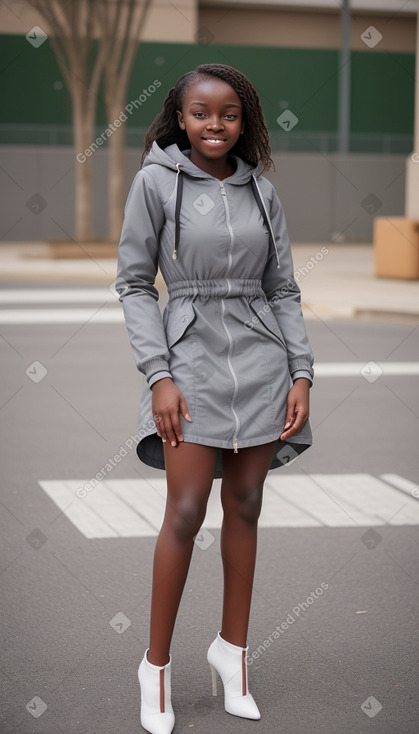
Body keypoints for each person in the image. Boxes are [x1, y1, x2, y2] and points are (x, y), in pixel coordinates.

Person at [115, 62, 314, 734]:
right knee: (185, 509)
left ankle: (232, 656)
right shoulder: (154, 182)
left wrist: (301, 372)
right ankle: (156, 666)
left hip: (259, 361)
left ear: (243, 119)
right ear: (179, 117)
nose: (214, 124)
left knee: (247, 505)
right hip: (189, 361)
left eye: (227, 113)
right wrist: (157, 374)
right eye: (200, 112)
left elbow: (283, 288)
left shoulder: (261, 190)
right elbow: (135, 284)